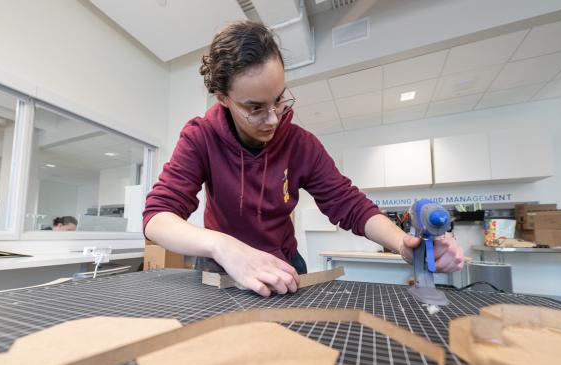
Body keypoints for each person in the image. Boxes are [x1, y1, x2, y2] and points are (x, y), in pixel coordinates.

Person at [144, 21, 463, 297]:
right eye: (255, 107)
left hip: (285, 266)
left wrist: (403, 243)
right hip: (221, 268)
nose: (272, 119)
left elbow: (350, 204)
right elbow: (157, 217)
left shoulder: (300, 145)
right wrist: (224, 247)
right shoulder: (201, 137)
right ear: (224, 99)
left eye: (279, 99)